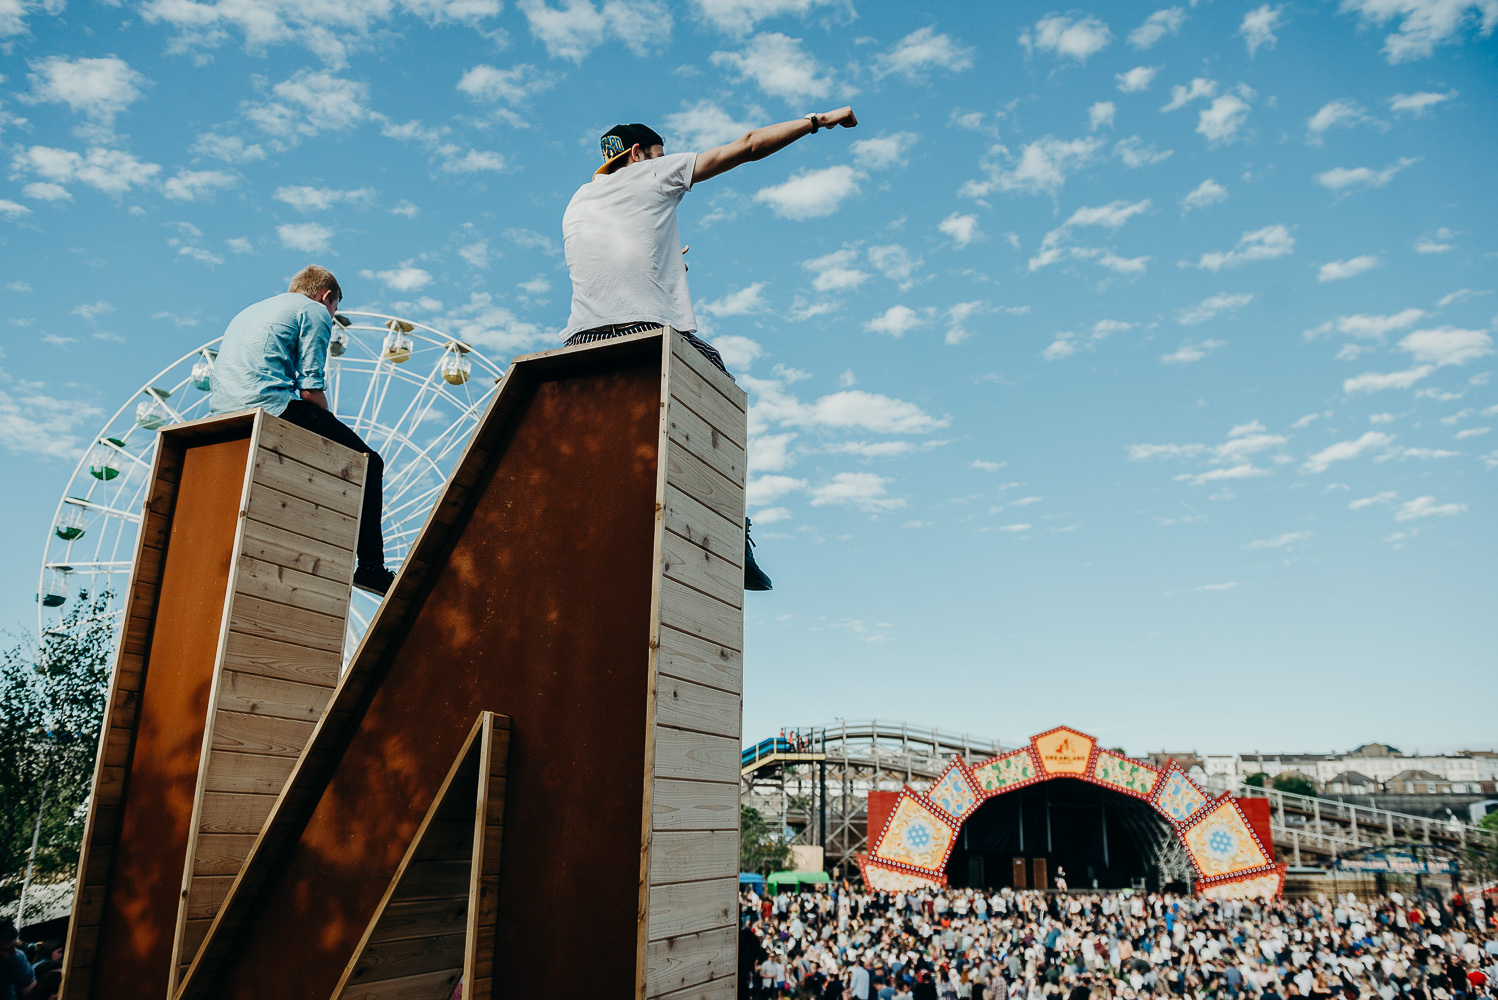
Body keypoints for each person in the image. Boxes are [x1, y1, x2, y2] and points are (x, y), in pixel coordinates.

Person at [559, 110, 859, 592]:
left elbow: (609, 261)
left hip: (580, 341)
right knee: (721, 397)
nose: (663, 160)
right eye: (659, 152)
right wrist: (816, 121)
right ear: (638, 154)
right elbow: (746, 146)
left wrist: (666, 263)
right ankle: (731, 533)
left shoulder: (580, 198)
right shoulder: (653, 172)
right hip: (643, 332)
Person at [210, 265, 394, 595]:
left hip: (221, 413)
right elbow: (310, 389)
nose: (332, 314)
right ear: (327, 296)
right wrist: (330, 424)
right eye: (335, 307)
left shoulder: (250, 311)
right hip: (268, 404)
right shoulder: (314, 310)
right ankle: (371, 568)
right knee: (369, 463)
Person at [0, 919, 34, 1000]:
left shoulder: (17, 959)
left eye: (15, 946)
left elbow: (32, 994)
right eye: (7, 949)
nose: (14, 952)